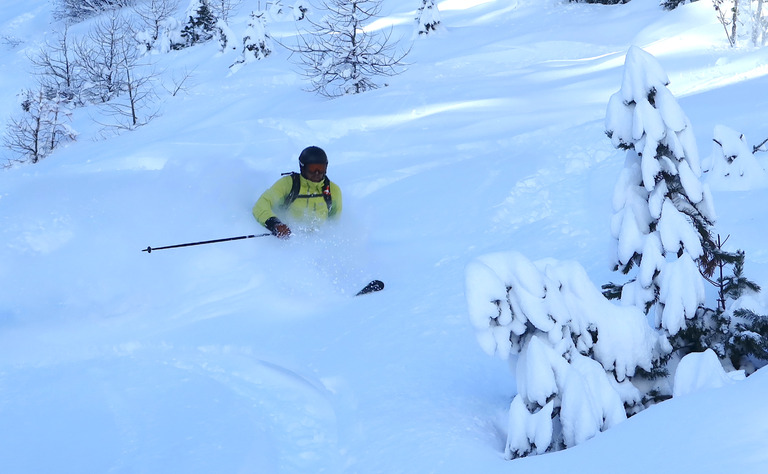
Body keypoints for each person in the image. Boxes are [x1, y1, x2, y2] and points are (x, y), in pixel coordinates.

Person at [253, 146, 342, 239]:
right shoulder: (288, 184)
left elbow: (334, 222)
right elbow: (260, 205)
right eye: (312, 169)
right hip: (288, 240)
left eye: (321, 168)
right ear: (302, 168)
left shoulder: (333, 190)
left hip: (318, 243)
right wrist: (275, 224)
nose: (317, 173)